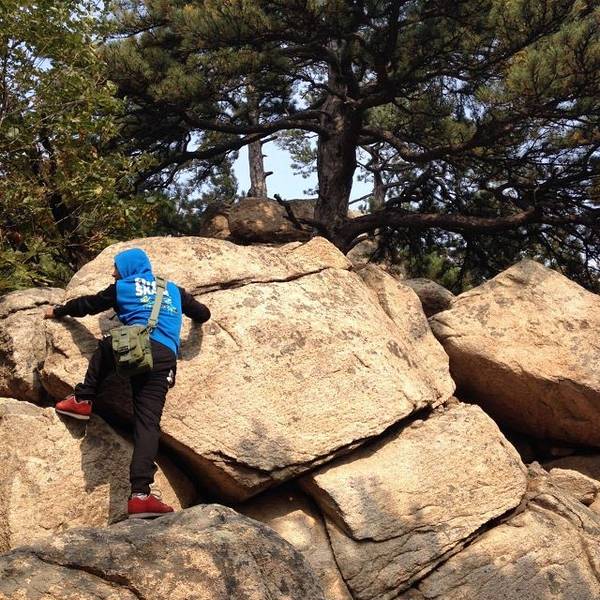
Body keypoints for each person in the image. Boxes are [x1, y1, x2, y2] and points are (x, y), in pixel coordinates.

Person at [44, 248, 210, 519]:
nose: (113, 273)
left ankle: (83, 399)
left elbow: (88, 305)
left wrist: (59, 311)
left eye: (116, 268)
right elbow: (203, 314)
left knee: (108, 346)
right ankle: (141, 497)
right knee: (147, 425)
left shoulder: (123, 287)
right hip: (163, 359)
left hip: (133, 346)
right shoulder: (174, 290)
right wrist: (190, 320)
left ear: (128, 269)